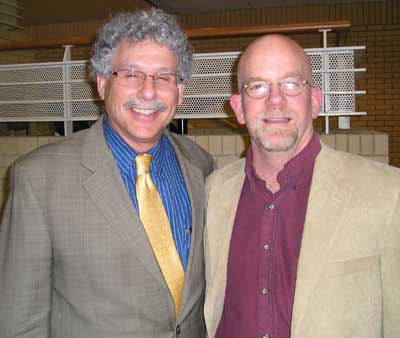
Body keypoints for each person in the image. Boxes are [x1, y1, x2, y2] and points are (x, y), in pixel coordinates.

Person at [0, 8, 214, 338]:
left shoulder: (201, 165)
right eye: (131, 75)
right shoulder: (38, 179)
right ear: (102, 84)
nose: (148, 91)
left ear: (180, 92)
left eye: (164, 77)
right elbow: (18, 320)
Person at [203, 34, 400, 338]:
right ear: (239, 109)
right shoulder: (213, 193)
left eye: (292, 83)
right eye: (258, 86)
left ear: (316, 101)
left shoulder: (388, 194)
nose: (276, 99)